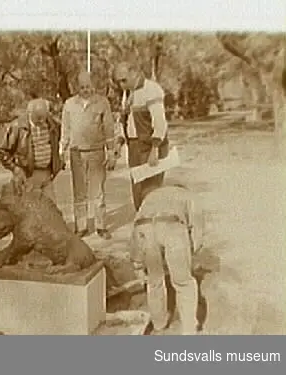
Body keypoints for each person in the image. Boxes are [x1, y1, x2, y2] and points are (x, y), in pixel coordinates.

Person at [129, 184, 205, 335]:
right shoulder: (187, 195)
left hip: (144, 228)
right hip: (172, 227)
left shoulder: (149, 198)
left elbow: (135, 230)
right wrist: (189, 255)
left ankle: (159, 324)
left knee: (154, 281)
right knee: (184, 282)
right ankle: (189, 329)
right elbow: (198, 231)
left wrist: (137, 263)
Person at [60, 71, 117, 239]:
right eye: (82, 86)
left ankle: (101, 226)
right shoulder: (69, 104)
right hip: (76, 153)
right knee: (79, 192)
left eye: (88, 86)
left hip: (96, 152)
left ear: (93, 86)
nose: (85, 90)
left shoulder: (102, 103)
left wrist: (111, 152)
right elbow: (65, 129)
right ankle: (81, 226)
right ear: (77, 87)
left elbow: (109, 129)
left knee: (98, 191)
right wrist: (62, 151)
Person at [111, 62, 170, 211]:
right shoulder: (128, 94)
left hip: (150, 147)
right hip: (134, 148)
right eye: (118, 81)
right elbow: (126, 122)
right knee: (137, 190)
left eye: (123, 80)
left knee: (151, 190)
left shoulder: (151, 89)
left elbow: (159, 122)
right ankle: (143, 227)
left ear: (134, 72)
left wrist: (155, 149)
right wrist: (119, 142)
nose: (121, 84)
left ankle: (153, 227)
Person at [0, 98, 64, 204]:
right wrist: (15, 169)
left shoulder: (53, 125)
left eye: (44, 117)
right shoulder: (17, 127)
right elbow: (1, 151)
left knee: (51, 210)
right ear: (30, 113)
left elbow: (61, 143)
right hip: (28, 176)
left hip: (47, 174)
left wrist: (59, 162)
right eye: (38, 118)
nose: (41, 121)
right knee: (31, 211)